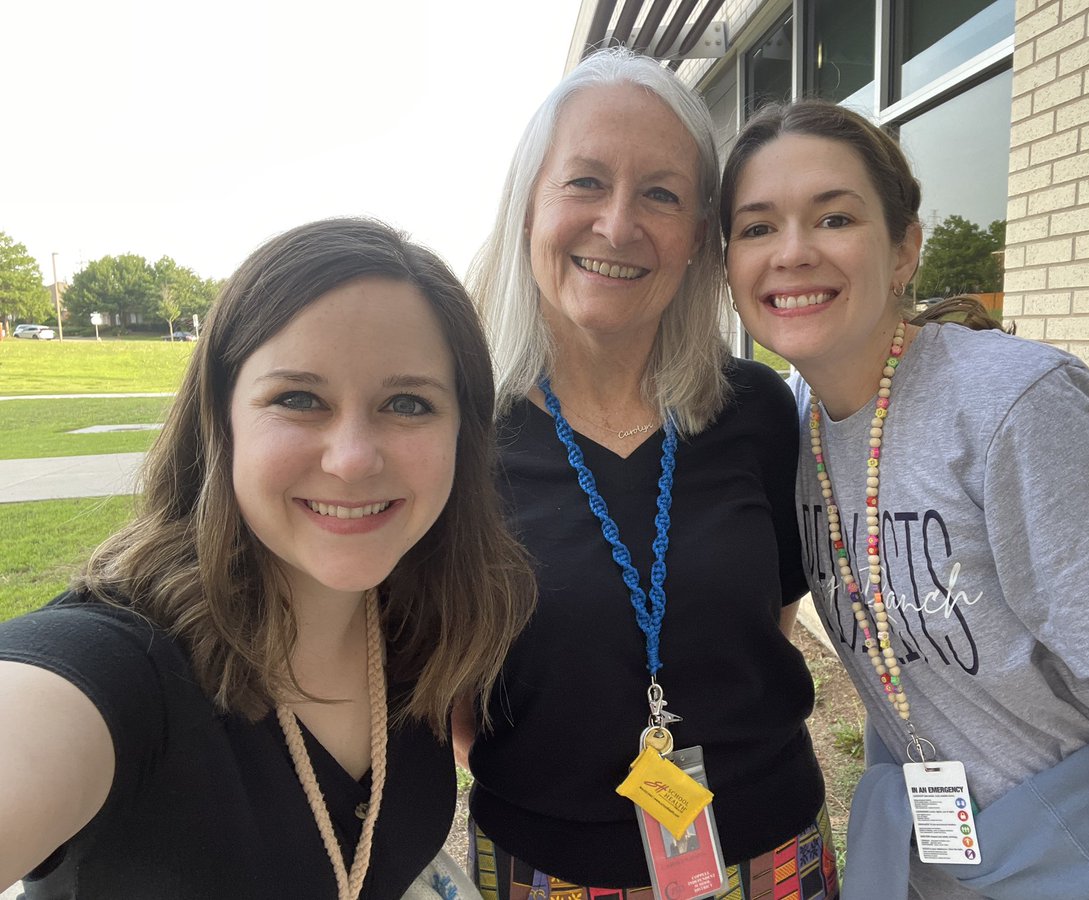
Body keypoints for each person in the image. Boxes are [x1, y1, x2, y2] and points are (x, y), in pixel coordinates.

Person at [720, 99, 1089, 899]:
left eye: (834, 217)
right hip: (939, 863)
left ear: (905, 247)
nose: (793, 253)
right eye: (758, 227)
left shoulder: (1016, 407)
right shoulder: (785, 425)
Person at [0, 218, 535, 900]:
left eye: (407, 403)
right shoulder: (120, 666)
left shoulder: (418, 637)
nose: (351, 459)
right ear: (221, 420)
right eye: (299, 399)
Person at [458, 48, 835, 899]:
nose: (619, 225)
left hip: (771, 853)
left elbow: (765, 621)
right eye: (585, 182)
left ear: (700, 233)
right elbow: (443, 692)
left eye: (661, 193)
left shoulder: (758, 412)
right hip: (541, 867)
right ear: (528, 208)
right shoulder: (460, 437)